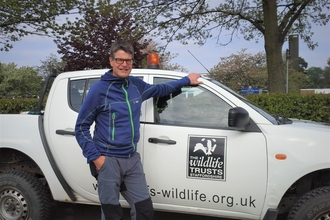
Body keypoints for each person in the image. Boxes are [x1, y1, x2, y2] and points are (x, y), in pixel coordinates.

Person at [75, 40, 202, 220]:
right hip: (108, 159)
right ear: (111, 61)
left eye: (128, 61)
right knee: (112, 214)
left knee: (144, 210)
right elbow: (81, 127)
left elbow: (160, 89)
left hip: (131, 159)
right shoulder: (99, 90)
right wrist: (96, 158)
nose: (124, 64)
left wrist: (186, 80)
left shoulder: (136, 85)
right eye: (120, 60)